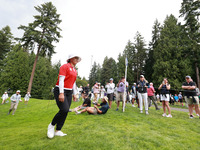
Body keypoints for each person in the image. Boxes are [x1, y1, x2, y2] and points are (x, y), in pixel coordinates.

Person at [47, 54, 81, 139]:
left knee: (65, 112)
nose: (77, 59)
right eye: (75, 58)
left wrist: (74, 93)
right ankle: (51, 125)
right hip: (60, 90)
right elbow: (61, 80)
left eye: (78, 58)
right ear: (71, 58)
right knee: (64, 109)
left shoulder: (74, 70)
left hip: (69, 92)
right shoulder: (64, 66)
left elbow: (73, 82)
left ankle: (58, 130)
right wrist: (61, 93)